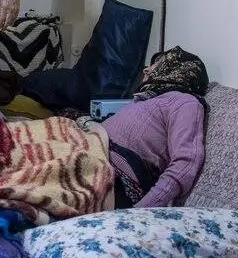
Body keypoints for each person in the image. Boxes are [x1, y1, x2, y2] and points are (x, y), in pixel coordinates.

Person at [83, 46, 210, 209]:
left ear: (175, 69)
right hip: (89, 151)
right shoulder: (147, 99)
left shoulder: (185, 102)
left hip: (111, 175)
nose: (147, 69)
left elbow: (186, 162)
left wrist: (140, 211)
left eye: (156, 64)